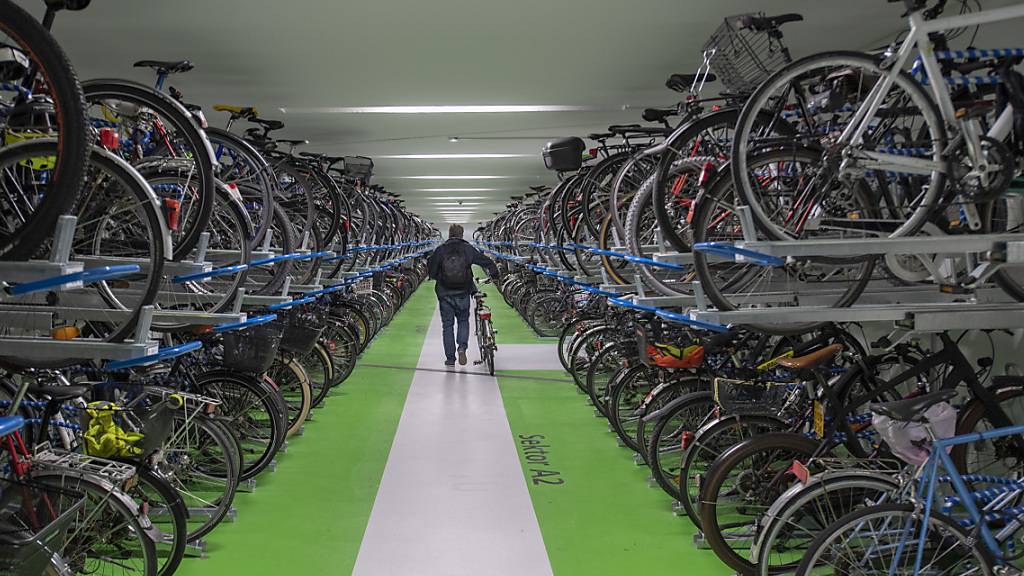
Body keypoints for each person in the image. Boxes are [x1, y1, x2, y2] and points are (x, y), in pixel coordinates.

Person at [427, 224, 499, 368]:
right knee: (463, 321)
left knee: (447, 326)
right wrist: (494, 273)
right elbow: (485, 261)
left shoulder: (441, 250)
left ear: (449, 234)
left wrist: (438, 277)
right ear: (461, 234)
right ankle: (462, 348)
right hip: (463, 292)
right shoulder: (467, 249)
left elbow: (432, 271)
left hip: (445, 293)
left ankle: (450, 359)